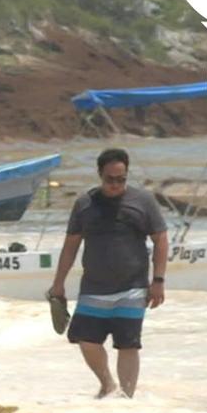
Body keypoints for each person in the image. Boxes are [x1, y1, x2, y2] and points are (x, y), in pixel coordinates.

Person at [49, 148, 168, 399]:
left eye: (121, 179)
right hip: (94, 287)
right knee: (86, 339)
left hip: (133, 287)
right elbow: (71, 246)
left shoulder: (143, 201)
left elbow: (161, 240)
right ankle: (107, 384)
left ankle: (126, 398)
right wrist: (58, 284)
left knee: (128, 344)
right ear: (100, 175)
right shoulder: (85, 204)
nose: (115, 184)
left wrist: (158, 280)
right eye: (110, 179)